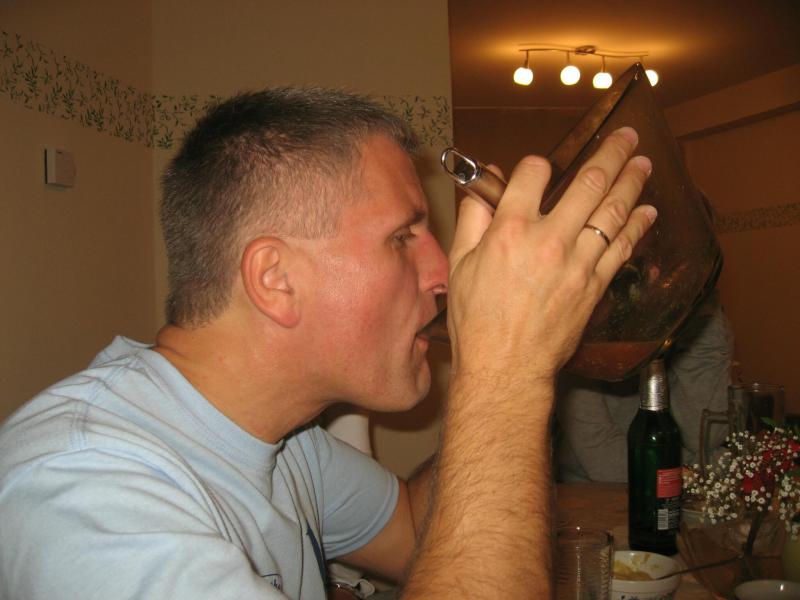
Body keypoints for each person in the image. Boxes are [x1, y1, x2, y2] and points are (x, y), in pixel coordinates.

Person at [0, 87, 655, 599]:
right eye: (402, 237)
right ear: (275, 279)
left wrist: (525, 345)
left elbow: (416, 532)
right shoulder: (83, 495)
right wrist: (507, 375)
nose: (444, 276)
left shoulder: (285, 442)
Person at [554, 289, 734, 484]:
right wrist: (692, 470)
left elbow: (706, 437)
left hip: (683, 488)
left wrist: (699, 311)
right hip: (594, 493)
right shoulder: (579, 312)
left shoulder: (690, 311)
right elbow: (601, 458)